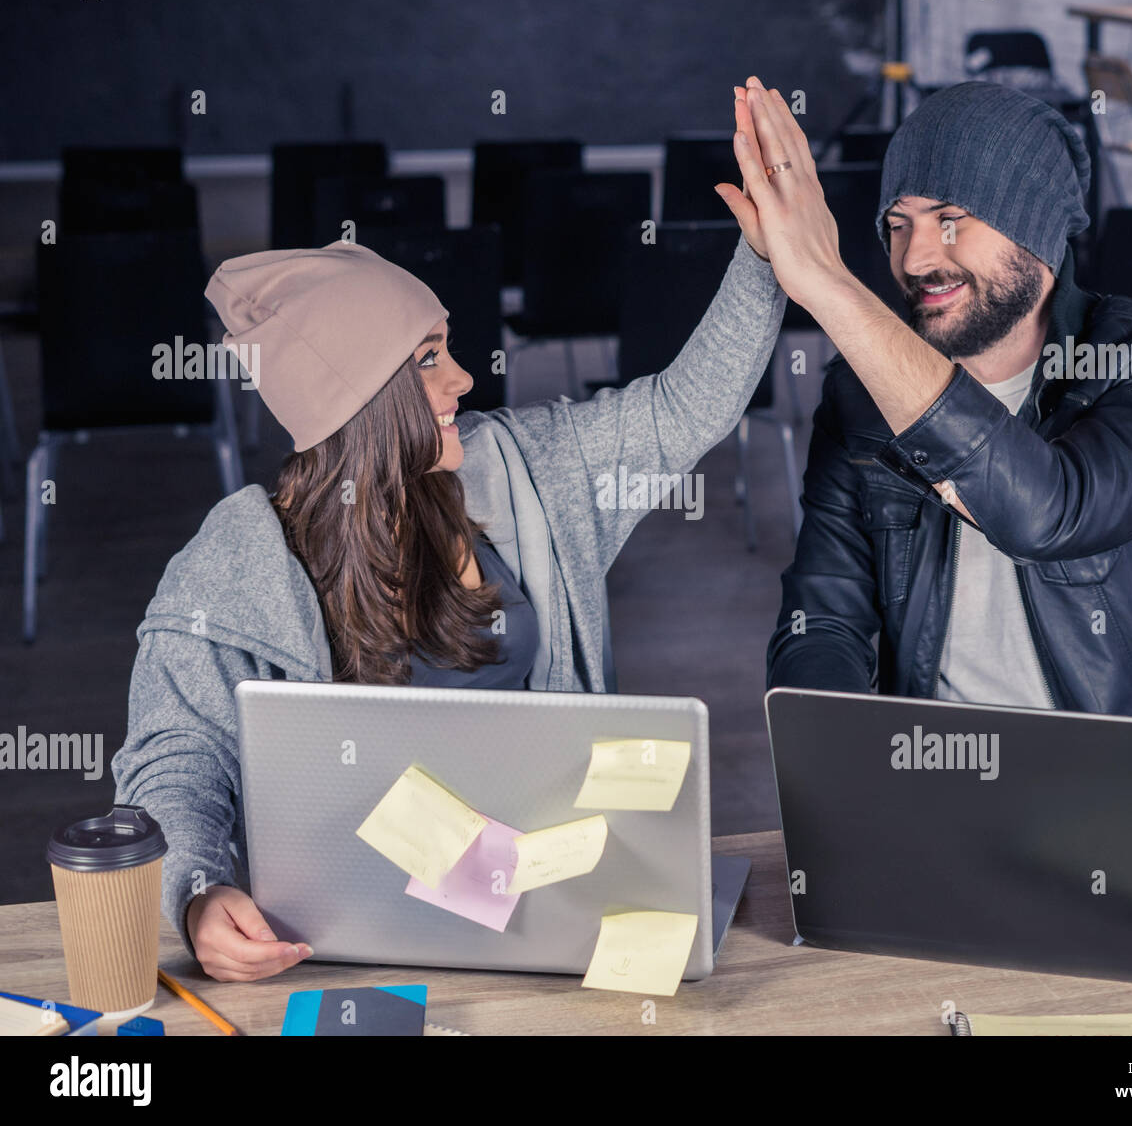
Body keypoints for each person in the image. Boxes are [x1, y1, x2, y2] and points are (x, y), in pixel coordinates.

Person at [112, 80, 816, 982]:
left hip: (560, 906)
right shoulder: (238, 560)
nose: (461, 383)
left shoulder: (524, 468)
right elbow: (175, 755)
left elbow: (679, 411)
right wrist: (200, 892)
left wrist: (762, 261)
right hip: (353, 941)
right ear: (360, 403)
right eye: (427, 361)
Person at [759, 79, 1132, 725]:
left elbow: (1048, 512)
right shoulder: (858, 399)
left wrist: (830, 288)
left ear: (1037, 231)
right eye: (897, 224)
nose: (915, 257)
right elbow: (822, 617)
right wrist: (832, 746)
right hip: (943, 782)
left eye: (950, 220)